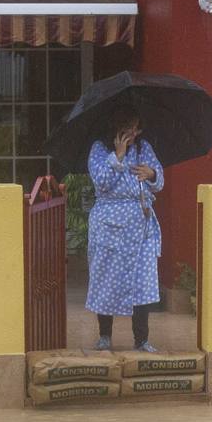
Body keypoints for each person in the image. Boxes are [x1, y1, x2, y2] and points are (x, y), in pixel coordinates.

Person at [85, 105, 165, 353]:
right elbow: (102, 183)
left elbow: (159, 182)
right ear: (117, 127)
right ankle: (105, 336)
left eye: (136, 129)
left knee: (142, 282)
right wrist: (117, 157)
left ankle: (141, 340)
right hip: (110, 226)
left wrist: (151, 173)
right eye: (129, 128)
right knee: (106, 278)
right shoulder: (99, 150)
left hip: (140, 226)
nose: (133, 133)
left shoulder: (144, 149)